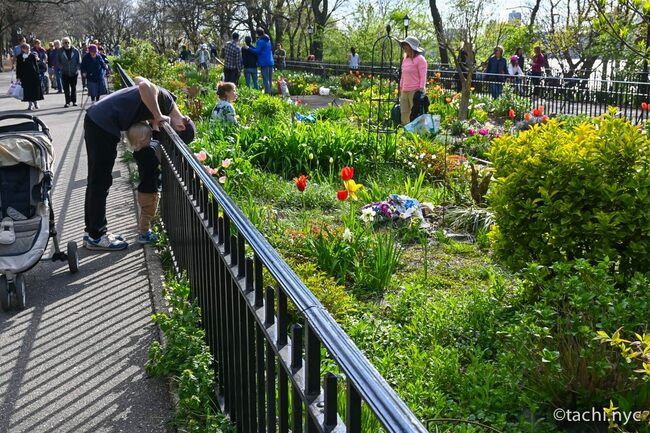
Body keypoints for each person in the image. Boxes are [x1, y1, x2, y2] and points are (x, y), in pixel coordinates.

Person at [83, 76, 195, 250]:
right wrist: (158, 116)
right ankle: (96, 236)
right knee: (100, 181)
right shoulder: (165, 102)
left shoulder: (166, 98)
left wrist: (153, 116)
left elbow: (138, 78)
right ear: (181, 127)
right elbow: (143, 85)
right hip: (102, 124)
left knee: (96, 179)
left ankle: (92, 231)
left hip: (98, 119)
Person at [126, 122, 161, 244]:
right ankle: (144, 234)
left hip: (145, 190)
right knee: (148, 213)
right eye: (149, 137)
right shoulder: (147, 154)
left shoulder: (139, 152)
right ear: (141, 140)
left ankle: (144, 231)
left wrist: (155, 129)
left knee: (146, 212)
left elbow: (154, 143)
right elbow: (157, 144)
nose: (151, 140)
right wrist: (156, 131)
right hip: (149, 191)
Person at [398, 36, 427, 126]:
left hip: (415, 91)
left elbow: (423, 76)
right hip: (404, 91)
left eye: (406, 46)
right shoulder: (405, 60)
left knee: (415, 114)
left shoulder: (420, 60)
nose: (404, 48)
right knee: (404, 113)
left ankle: (417, 133)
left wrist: (421, 90)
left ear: (412, 47)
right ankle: (405, 132)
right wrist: (401, 87)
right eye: (404, 46)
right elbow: (403, 75)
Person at [244, 28, 274, 94]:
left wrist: (248, 48)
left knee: (266, 79)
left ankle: (267, 94)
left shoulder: (260, 41)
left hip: (264, 62)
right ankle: (271, 93)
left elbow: (257, 51)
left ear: (257, 34)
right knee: (270, 79)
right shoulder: (268, 40)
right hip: (270, 61)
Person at [15, 43, 44, 110]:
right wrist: (18, 77)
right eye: (26, 48)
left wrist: (38, 74)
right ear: (23, 49)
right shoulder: (20, 57)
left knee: (35, 90)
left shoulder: (32, 56)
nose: (28, 50)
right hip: (25, 77)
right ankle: (30, 104)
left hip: (33, 75)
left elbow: (36, 66)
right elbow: (18, 67)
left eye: (29, 48)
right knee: (27, 91)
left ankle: (36, 102)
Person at [58, 37, 81, 107]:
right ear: (62, 44)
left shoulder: (75, 51)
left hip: (74, 72)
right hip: (64, 72)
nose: (67, 44)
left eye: (68, 42)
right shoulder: (60, 51)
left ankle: (74, 101)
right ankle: (67, 102)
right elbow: (58, 61)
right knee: (66, 88)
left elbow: (79, 61)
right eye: (65, 43)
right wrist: (61, 67)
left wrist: (77, 68)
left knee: (73, 87)